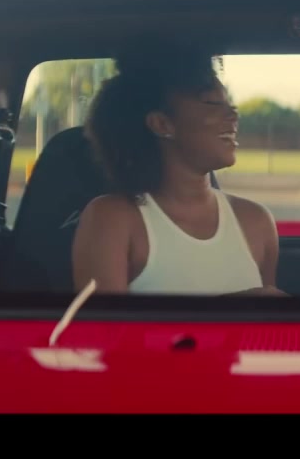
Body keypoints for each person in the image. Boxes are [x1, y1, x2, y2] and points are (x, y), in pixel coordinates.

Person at [71, 44, 285, 296]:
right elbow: (103, 323)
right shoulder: (112, 219)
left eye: (229, 103)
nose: (233, 115)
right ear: (162, 124)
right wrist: (236, 307)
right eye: (212, 102)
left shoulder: (256, 221)